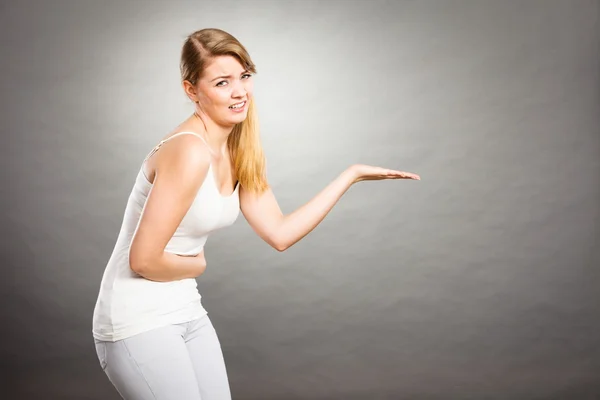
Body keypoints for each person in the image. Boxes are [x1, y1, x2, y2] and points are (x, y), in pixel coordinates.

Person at [92, 27, 420, 400]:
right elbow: (144, 260)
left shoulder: (238, 150)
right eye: (222, 82)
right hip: (136, 319)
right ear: (191, 90)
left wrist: (351, 175)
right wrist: (198, 266)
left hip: (185, 308)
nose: (239, 91)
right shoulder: (188, 151)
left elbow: (279, 234)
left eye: (244, 77)